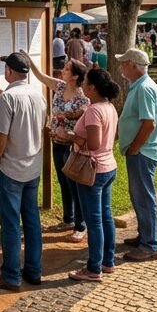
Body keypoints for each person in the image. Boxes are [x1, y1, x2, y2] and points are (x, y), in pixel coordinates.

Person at [0, 53, 48, 290]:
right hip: (32, 167)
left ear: (9, 71)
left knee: (10, 223)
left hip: (10, 168)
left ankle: (10, 275)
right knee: (31, 221)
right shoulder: (38, 95)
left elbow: (1, 136)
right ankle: (34, 270)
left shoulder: (8, 98)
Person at [26, 57, 91, 240]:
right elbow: (41, 76)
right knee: (63, 182)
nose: (63, 70)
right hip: (57, 143)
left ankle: (80, 225)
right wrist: (29, 60)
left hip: (73, 145)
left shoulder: (82, 95)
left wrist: (69, 116)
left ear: (76, 75)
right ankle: (68, 218)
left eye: (68, 69)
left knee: (74, 184)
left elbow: (85, 116)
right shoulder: (61, 86)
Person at [68, 66, 120, 282]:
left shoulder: (93, 111)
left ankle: (93, 268)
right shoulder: (108, 107)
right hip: (108, 166)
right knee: (105, 216)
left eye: (86, 82)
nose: (83, 85)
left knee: (95, 220)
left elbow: (93, 143)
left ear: (92, 87)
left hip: (93, 169)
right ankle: (107, 261)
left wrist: (70, 136)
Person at [117, 48, 157, 262]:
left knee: (144, 197)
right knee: (139, 195)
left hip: (143, 152)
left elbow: (148, 123)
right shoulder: (140, 86)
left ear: (134, 66)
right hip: (141, 151)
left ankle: (149, 244)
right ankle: (145, 236)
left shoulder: (144, 88)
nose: (121, 67)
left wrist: (135, 147)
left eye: (124, 63)